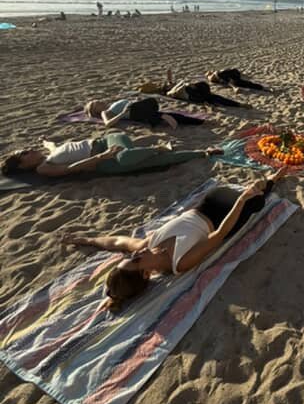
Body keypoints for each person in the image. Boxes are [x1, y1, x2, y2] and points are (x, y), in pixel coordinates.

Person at [61, 168, 288, 311]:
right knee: (257, 198)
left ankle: (262, 184)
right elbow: (218, 236)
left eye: (132, 256)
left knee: (232, 191)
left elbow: (118, 242)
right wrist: (242, 201)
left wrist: (87, 240)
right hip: (223, 218)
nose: (137, 253)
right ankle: (275, 178)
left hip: (206, 204)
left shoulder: (146, 247)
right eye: (136, 261)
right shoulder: (179, 263)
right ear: (145, 273)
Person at [1, 133, 222, 179]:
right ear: (23, 165)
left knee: (127, 154)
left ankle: (160, 148)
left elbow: (51, 143)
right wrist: (101, 157)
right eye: (24, 153)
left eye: (26, 149)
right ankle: (203, 152)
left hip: (108, 140)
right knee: (132, 159)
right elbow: (71, 169)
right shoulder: (43, 167)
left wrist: (44, 140)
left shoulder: (49, 153)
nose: (29, 150)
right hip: (104, 162)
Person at [84, 97, 202, 130]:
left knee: (174, 115)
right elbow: (108, 124)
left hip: (140, 109)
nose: (99, 101)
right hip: (134, 112)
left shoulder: (111, 105)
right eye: (96, 104)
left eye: (97, 100)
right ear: (95, 111)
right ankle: (159, 117)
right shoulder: (105, 112)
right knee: (154, 105)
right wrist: (123, 113)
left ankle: (199, 122)